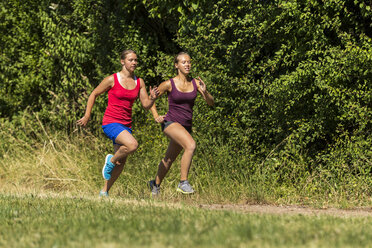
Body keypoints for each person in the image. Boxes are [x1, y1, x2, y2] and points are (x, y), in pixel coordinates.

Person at [77, 49, 159, 197]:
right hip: (111, 122)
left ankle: (104, 191)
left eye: (135, 60)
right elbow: (94, 93)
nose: (134, 62)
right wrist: (87, 115)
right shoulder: (112, 79)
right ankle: (110, 160)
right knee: (132, 145)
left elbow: (146, 105)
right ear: (122, 61)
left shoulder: (139, 82)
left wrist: (152, 98)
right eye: (130, 60)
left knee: (121, 163)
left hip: (126, 125)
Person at [148, 52, 214, 195]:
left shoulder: (196, 83)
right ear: (176, 65)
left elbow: (211, 103)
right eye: (183, 62)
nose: (187, 65)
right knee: (191, 145)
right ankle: (183, 182)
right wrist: (156, 115)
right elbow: (151, 99)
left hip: (186, 127)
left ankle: (155, 185)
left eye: (189, 62)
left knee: (169, 159)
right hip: (170, 123)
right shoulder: (168, 84)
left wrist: (205, 91)